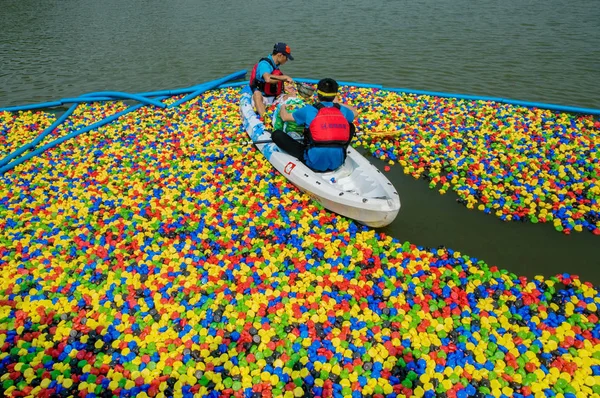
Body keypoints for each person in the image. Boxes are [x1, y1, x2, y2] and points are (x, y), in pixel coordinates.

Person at [273, 78, 358, 172]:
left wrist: (283, 106)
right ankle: (339, 150)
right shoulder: (343, 111)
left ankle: (308, 155)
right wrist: (337, 104)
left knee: (277, 134)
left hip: (314, 162)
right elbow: (355, 112)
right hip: (338, 161)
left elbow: (284, 117)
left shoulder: (309, 110)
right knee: (350, 126)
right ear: (335, 95)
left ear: (318, 94)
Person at [249, 42, 294, 118]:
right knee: (257, 94)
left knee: (293, 95)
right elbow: (268, 79)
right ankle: (265, 119)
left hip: (274, 97)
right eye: (286, 57)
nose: (287, 60)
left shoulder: (275, 65)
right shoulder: (264, 64)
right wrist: (284, 77)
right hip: (263, 98)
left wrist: (284, 87)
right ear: (280, 55)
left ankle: (288, 116)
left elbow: (274, 81)